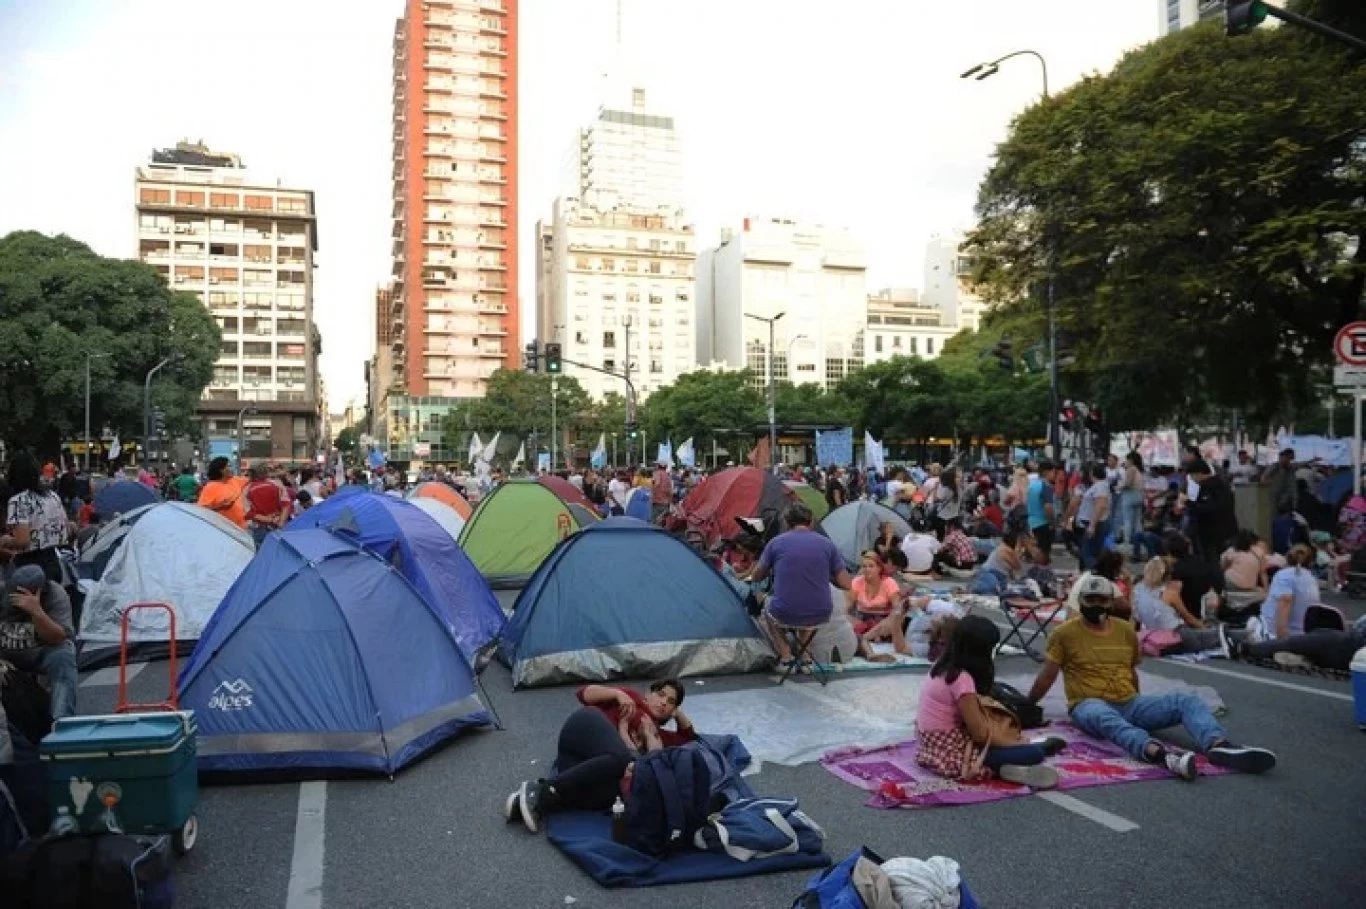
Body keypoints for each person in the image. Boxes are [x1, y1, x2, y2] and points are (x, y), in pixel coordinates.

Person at [1026, 575, 1276, 780]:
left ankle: (1217, 745)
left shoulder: (1125, 631)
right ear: (1080, 601)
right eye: (1089, 599)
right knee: (1103, 715)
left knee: (1185, 700)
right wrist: (1026, 708)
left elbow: (1130, 671)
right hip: (1087, 705)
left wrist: (1140, 705)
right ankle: (1158, 754)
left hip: (1129, 702)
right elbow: (1047, 676)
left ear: (1110, 602)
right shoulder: (1064, 634)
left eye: (1100, 599)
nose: (1094, 605)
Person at [505, 680, 694, 833]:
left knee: (613, 797)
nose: (663, 702)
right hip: (583, 729)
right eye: (661, 695)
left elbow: (688, 737)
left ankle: (529, 800)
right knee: (624, 760)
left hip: (579, 767)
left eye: (670, 702)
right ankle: (543, 790)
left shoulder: (658, 736)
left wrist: (677, 714)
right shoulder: (632, 699)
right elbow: (583, 693)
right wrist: (617, 694)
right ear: (648, 694)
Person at [915, 615, 1064, 788]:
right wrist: (1014, 743)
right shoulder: (961, 679)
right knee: (1033, 753)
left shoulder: (941, 667)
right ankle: (1002, 769)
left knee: (1014, 745)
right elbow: (980, 734)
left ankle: (1006, 767)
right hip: (951, 754)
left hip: (929, 747)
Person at [747, 502, 852, 666]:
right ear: (811, 522)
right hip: (821, 612)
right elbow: (846, 584)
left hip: (786, 611)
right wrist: (826, 575)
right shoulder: (827, 544)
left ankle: (786, 655)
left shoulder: (775, 543)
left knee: (768, 607)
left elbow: (756, 576)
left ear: (786, 523)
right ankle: (806, 656)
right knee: (809, 612)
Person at [0, 564, 79, 722]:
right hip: (5, 655)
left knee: (64, 656)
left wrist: (37, 612)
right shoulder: (2, 592)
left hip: (41, 652)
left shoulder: (56, 594)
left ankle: (61, 722)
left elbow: (59, 637)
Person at [1133, 558, 1240, 654]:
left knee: (1216, 635)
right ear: (1168, 576)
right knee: (1219, 634)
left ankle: (1247, 633)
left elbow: (1135, 618)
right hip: (1177, 635)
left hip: (1154, 636)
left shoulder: (1138, 591)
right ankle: (1249, 633)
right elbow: (1189, 619)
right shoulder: (1169, 594)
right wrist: (1203, 627)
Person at [2, 452, 72, 584]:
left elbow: (23, 541)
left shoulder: (19, 500)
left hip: (29, 567)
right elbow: (67, 529)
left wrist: (6, 540)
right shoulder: (52, 495)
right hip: (54, 561)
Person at [1247, 543, 1318, 644]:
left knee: (1251, 622)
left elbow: (1285, 602)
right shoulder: (1311, 578)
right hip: (1303, 634)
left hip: (1276, 633)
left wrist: (1282, 640)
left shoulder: (1284, 575)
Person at [1187, 460, 1237, 564]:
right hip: (1218, 532)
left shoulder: (1214, 487)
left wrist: (1190, 504)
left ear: (1199, 473)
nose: (1192, 479)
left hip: (1215, 534)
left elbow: (1211, 509)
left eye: (1192, 475)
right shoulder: (1212, 486)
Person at [845, 551, 903, 635]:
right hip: (861, 621)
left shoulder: (889, 583)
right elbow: (846, 607)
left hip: (882, 622)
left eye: (871, 566)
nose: (867, 569)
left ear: (879, 568)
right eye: (864, 566)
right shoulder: (857, 582)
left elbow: (897, 609)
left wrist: (888, 623)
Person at [1075, 463, 1112, 570]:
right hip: (1092, 521)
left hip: (1095, 522)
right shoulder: (1099, 486)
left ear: (1092, 473)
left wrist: (1092, 525)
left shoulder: (1100, 486)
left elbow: (1100, 505)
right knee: (1093, 550)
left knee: (1088, 552)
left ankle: (1093, 571)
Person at [197, 457, 250, 530]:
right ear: (221, 470)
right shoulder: (210, 487)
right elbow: (201, 510)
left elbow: (252, 480)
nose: (231, 468)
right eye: (229, 466)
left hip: (242, 528)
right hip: (225, 530)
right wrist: (220, 506)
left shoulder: (235, 480)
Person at [244, 464, 289, 546]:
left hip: (259, 528)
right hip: (278, 525)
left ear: (251, 474)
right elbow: (286, 505)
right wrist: (281, 521)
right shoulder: (277, 484)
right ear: (266, 472)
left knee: (262, 553)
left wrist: (269, 520)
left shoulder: (247, 489)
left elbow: (250, 513)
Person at [1027, 460, 1058, 566]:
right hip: (1043, 524)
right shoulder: (1046, 487)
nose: (1054, 475)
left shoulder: (1032, 485)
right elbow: (1048, 507)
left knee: (1036, 554)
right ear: (1046, 472)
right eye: (1053, 472)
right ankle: (1042, 576)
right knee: (1044, 555)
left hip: (1031, 523)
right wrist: (1052, 523)